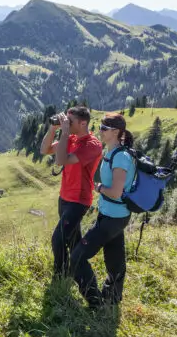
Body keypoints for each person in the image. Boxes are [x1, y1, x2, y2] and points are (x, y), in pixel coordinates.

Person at [70, 113, 137, 308]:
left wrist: (98, 188)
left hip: (113, 217)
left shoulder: (121, 157)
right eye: (100, 126)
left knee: (77, 258)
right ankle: (112, 298)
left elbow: (116, 192)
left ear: (116, 132)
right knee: (115, 259)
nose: (100, 130)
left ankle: (95, 302)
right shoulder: (112, 152)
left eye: (104, 128)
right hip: (114, 215)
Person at [40, 106, 103, 278]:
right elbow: (44, 150)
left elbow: (61, 161)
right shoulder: (71, 138)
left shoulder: (92, 145)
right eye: (65, 119)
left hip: (79, 200)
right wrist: (54, 128)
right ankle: (78, 271)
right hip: (65, 197)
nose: (66, 123)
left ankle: (60, 276)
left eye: (70, 121)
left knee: (58, 239)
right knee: (73, 239)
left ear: (83, 123)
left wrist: (65, 133)